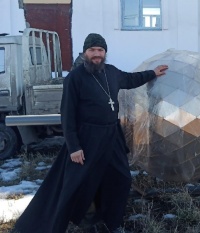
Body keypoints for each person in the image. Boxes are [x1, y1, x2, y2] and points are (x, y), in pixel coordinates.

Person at [13, 33, 168, 233]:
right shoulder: (75, 78)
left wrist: (153, 73)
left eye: (100, 50)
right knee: (75, 185)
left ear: (105, 52)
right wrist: (74, 147)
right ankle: (61, 224)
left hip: (112, 137)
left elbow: (131, 79)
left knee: (121, 178)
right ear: (85, 52)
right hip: (87, 138)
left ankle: (111, 222)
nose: (97, 54)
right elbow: (67, 115)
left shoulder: (111, 72)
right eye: (92, 50)